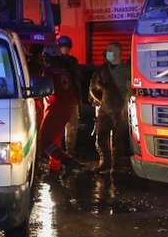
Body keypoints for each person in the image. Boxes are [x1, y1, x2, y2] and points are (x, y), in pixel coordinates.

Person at [37, 42, 80, 170]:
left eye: (45, 56)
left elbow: (43, 89)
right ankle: (55, 166)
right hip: (66, 106)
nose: (44, 59)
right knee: (55, 138)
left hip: (56, 107)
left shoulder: (49, 71)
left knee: (44, 139)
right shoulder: (64, 70)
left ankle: (68, 161)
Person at [88, 41, 131, 172]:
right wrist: (102, 102)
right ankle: (105, 163)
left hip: (120, 110)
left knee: (118, 141)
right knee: (101, 137)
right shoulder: (102, 70)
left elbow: (131, 90)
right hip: (105, 110)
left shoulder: (126, 70)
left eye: (110, 51)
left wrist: (125, 107)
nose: (108, 53)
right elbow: (93, 87)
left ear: (118, 53)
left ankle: (116, 166)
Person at [56, 35, 83, 156]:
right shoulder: (55, 62)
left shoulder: (73, 61)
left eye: (67, 47)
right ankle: (57, 152)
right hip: (59, 99)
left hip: (71, 98)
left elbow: (77, 80)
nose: (65, 49)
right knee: (58, 127)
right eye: (62, 46)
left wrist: (78, 98)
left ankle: (70, 151)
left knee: (72, 126)